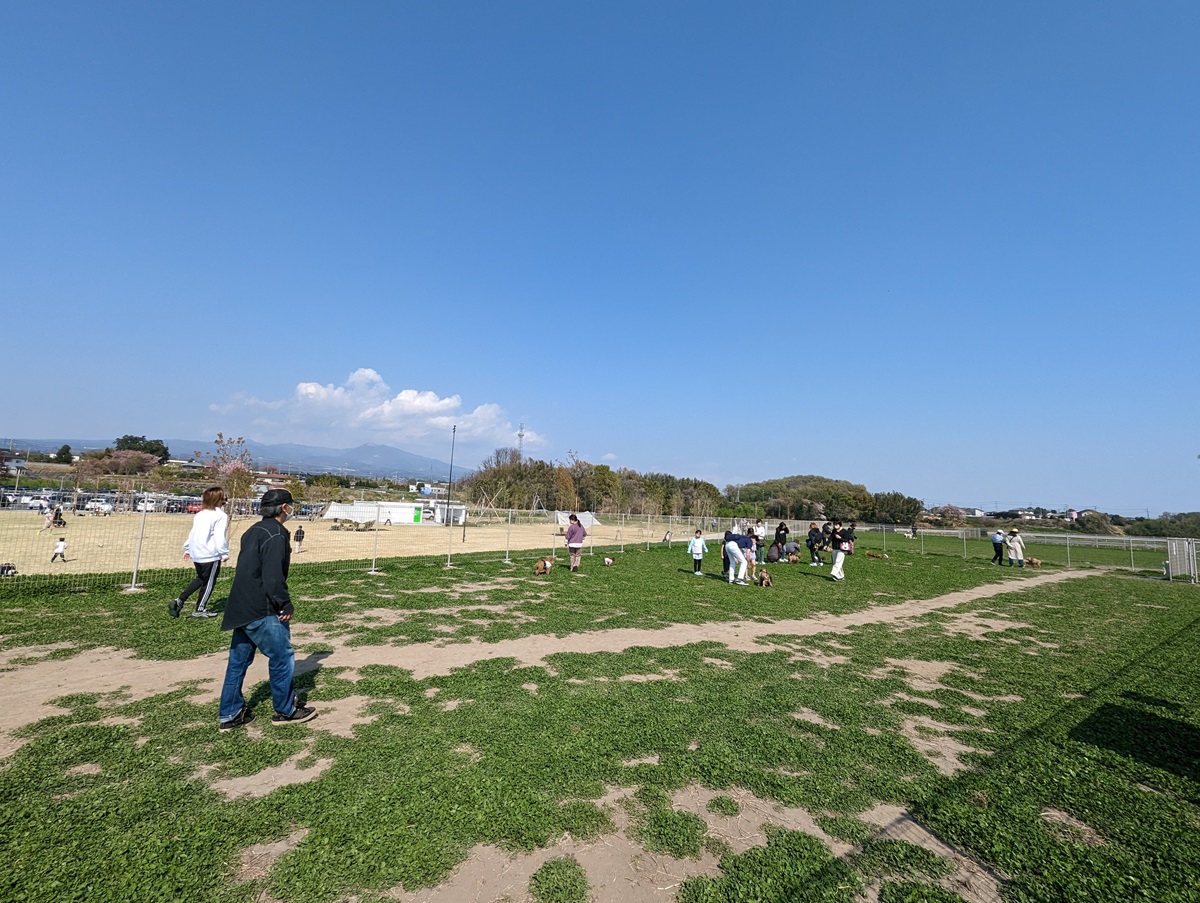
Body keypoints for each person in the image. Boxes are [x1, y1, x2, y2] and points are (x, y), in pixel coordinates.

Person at [218, 488, 316, 730]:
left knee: (238, 662)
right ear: (284, 507)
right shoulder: (276, 534)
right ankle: (286, 709)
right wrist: (284, 603)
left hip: (241, 604)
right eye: (291, 505)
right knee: (282, 657)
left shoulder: (253, 530)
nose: (292, 509)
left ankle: (230, 712)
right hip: (262, 608)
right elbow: (272, 576)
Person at [170, 486, 230, 620]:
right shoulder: (221, 516)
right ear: (219, 499)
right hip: (210, 554)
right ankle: (200, 609)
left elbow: (194, 533)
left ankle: (180, 600)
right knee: (209, 582)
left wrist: (188, 548)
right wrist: (224, 553)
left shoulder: (200, 514)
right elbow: (219, 536)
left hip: (197, 553)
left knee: (200, 578)